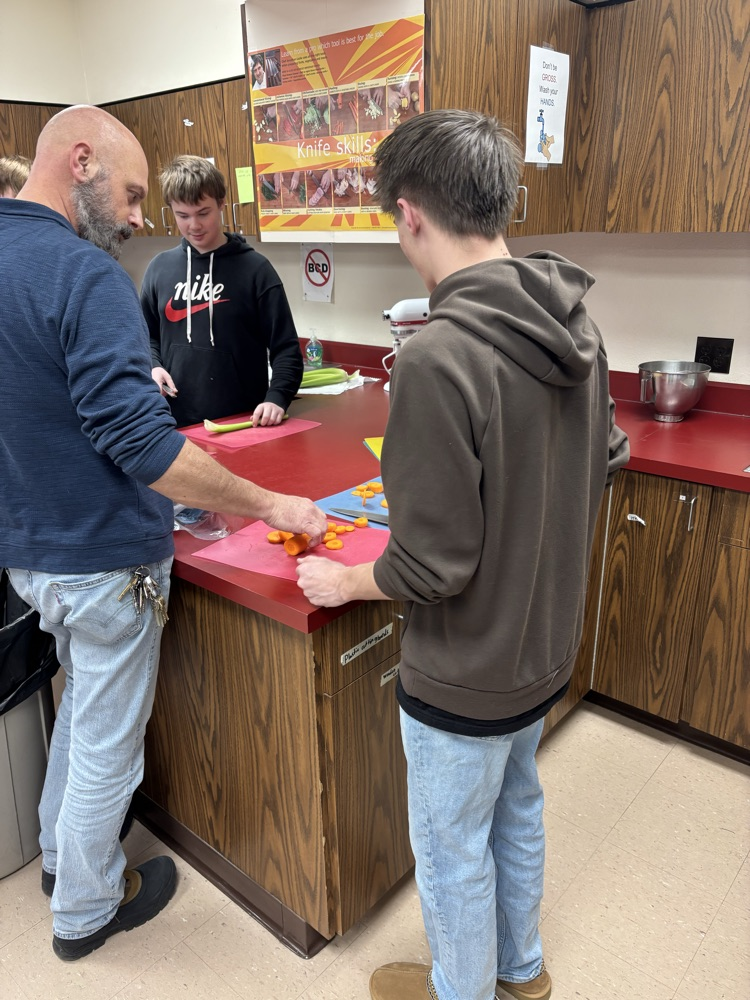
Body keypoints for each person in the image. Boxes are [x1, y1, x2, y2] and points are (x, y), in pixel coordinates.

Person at [296, 109, 629, 1000]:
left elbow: (431, 566)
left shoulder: (440, 358)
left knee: (449, 852)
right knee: (518, 808)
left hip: (465, 672)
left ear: (408, 215)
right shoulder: (578, 326)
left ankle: (466, 991)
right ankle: (520, 972)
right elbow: (603, 457)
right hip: (541, 651)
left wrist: (344, 578)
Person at [0, 105, 326, 963]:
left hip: (31, 551)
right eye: (138, 194)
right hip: (106, 557)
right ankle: (86, 908)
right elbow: (144, 447)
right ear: (80, 162)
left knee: (78, 710)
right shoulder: (87, 274)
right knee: (109, 736)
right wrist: (271, 506)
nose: (146, 217)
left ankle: (58, 864)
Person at [141, 155, 303, 428]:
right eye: (183, 215)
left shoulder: (256, 270)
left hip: (243, 422)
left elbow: (285, 347)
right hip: (174, 423)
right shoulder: (159, 269)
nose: (194, 225)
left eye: (203, 213)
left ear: (222, 205)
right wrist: (153, 366)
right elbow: (145, 337)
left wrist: (277, 398)